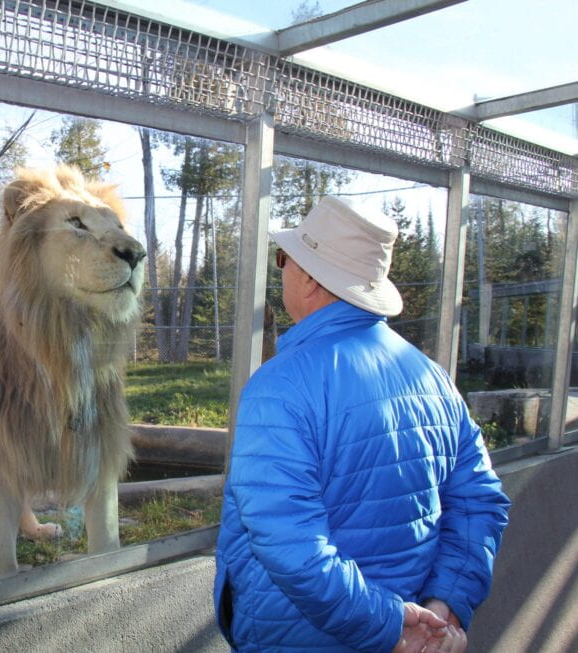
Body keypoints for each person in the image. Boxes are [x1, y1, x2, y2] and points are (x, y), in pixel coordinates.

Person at [214, 196, 510, 652]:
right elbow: (479, 503)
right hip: (411, 623)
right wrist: (445, 603)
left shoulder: (280, 385)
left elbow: (290, 545)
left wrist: (390, 625)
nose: (281, 272)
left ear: (309, 278)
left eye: (283, 259)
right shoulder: (433, 378)